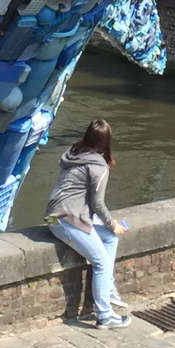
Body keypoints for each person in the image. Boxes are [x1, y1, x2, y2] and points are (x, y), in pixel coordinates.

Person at [46, 119, 130, 329]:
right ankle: (105, 315)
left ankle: (109, 289)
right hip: (66, 220)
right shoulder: (98, 166)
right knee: (101, 261)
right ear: (106, 142)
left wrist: (110, 230)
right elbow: (97, 203)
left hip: (51, 217)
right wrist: (112, 224)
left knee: (109, 239)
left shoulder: (73, 152)